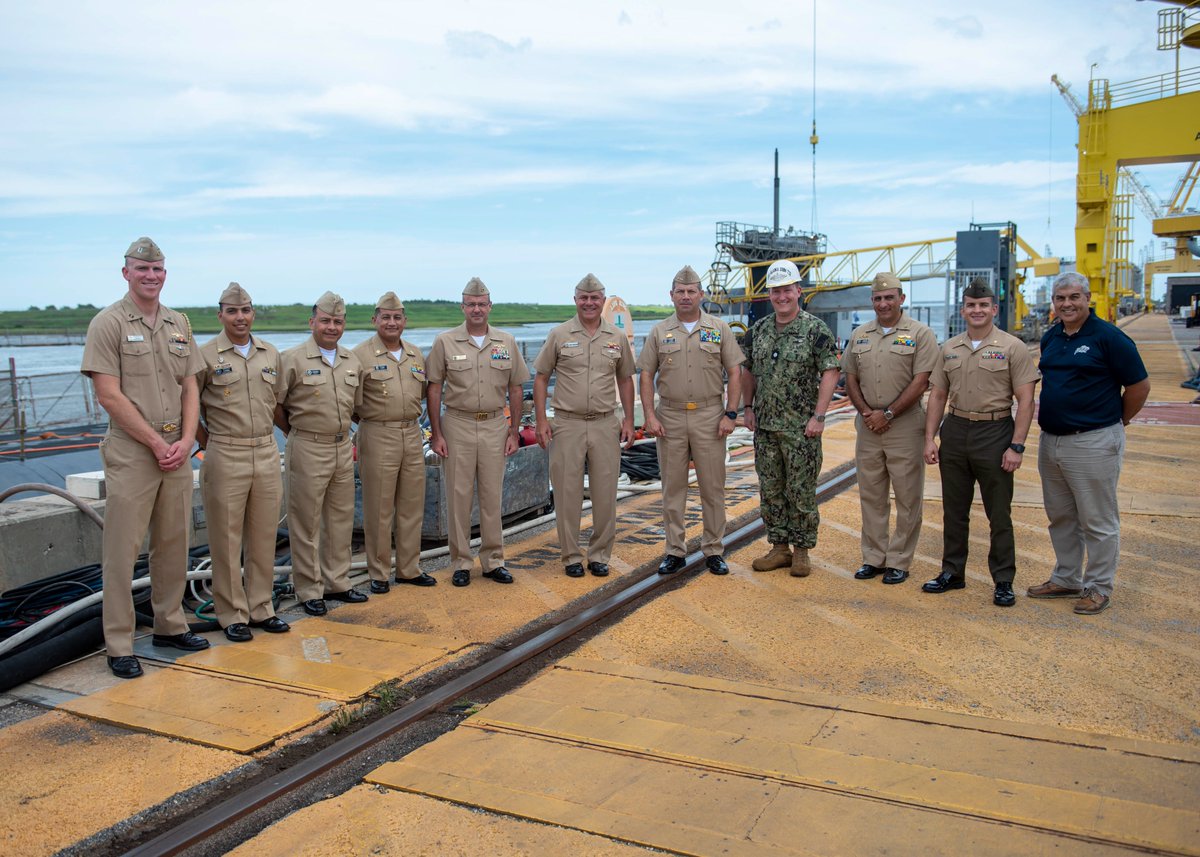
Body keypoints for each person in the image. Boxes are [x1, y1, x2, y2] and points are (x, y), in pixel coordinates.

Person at [81, 237, 209, 679]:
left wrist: (188, 438)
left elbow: (190, 385)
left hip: (177, 450)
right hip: (134, 452)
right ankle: (119, 642)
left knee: (173, 544)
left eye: (157, 270)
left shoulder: (179, 324)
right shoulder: (108, 323)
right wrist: (156, 443)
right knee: (122, 550)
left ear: (164, 274)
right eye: (141, 269)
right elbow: (107, 394)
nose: (150, 276)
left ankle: (169, 626)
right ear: (126, 273)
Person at [1027, 272, 1150, 615]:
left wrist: (1116, 421)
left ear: (1088, 298)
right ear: (1054, 303)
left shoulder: (1110, 338)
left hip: (1093, 441)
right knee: (1061, 516)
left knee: (1097, 519)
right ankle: (1066, 577)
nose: (1067, 304)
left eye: (1074, 297)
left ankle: (1098, 587)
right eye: (1060, 298)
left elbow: (1139, 386)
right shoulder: (1053, 336)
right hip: (1052, 441)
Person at [922, 279, 1039, 607]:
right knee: (953, 510)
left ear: (994, 309)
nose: (977, 310)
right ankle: (952, 572)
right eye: (971, 305)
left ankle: (1003, 580)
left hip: (995, 431)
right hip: (956, 430)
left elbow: (1026, 401)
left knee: (998, 513)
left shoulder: (1012, 347)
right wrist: (929, 438)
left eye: (983, 305)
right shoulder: (950, 348)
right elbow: (938, 395)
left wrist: (1017, 446)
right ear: (963, 309)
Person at [196, 282, 290, 642]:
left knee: (264, 535)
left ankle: (261, 607)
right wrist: (210, 445)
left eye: (246, 310)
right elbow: (191, 408)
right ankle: (231, 613)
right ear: (220, 315)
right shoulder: (204, 356)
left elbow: (277, 403)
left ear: (253, 313)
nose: (240, 317)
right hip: (225, 451)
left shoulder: (270, 354)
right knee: (225, 537)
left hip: (266, 450)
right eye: (232, 311)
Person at [639, 265, 744, 575]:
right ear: (671, 296)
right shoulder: (659, 331)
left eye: (691, 291)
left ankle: (713, 549)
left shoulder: (719, 329)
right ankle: (675, 551)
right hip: (670, 416)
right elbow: (646, 374)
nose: (685, 296)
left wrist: (731, 414)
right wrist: (649, 415)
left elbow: (735, 371)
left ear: (701, 294)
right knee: (673, 489)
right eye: (680, 292)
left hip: (710, 416)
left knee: (713, 487)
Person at [426, 278, 530, 587]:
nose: (476, 309)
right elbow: (434, 390)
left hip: (495, 425)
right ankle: (460, 561)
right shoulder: (445, 342)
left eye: (481, 304)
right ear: (463, 307)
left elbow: (515, 388)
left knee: (491, 495)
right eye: (471, 304)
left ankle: (493, 560)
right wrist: (436, 433)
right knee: (458, 495)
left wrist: (513, 431)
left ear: (489, 307)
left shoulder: (506, 342)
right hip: (456, 424)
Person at [741, 260, 841, 577]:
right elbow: (747, 371)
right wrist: (748, 407)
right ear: (769, 294)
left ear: (798, 291)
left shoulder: (815, 330)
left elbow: (830, 371)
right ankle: (779, 547)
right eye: (776, 291)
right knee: (771, 489)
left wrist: (819, 416)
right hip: (766, 428)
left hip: (802, 429)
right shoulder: (758, 331)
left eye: (787, 290)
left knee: (800, 491)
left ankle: (801, 551)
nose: (782, 296)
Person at [533, 274, 636, 578]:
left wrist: (629, 420)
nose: (589, 303)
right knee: (567, 494)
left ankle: (600, 554)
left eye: (595, 298)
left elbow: (625, 379)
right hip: (567, 424)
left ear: (603, 301)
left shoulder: (616, 337)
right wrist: (541, 421)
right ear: (575, 300)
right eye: (583, 298)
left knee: (606, 494)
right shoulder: (559, 334)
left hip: (605, 423)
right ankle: (570, 557)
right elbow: (540, 377)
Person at [842, 272, 938, 585]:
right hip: (868, 426)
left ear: (901, 299)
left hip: (905, 426)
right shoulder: (860, 335)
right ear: (872, 301)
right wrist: (868, 413)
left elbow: (921, 380)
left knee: (908, 497)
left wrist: (888, 413)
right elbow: (851, 378)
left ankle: (899, 560)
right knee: (871, 495)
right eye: (878, 298)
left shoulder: (920, 334)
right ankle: (874, 557)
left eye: (889, 297)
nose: (883, 303)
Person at [274, 292, 366, 616]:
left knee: (340, 519)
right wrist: (295, 432)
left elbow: (357, 406)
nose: (331, 327)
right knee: (306, 522)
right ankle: (309, 589)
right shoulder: (292, 359)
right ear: (312, 321)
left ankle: (337, 582)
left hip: (343, 446)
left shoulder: (351, 361)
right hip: (308, 445)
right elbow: (276, 404)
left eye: (337, 321)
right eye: (325, 320)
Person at [352, 292, 437, 592]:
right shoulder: (359, 355)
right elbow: (350, 402)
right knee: (379, 507)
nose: (392, 322)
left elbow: (424, 393)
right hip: (377, 432)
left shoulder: (415, 354)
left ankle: (408, 568)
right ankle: (378, 572)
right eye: (385, 317)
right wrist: (371, 425)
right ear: (374, 319)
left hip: (411, 433)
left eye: (397, 317)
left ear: (404, 321)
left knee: (412, 504)